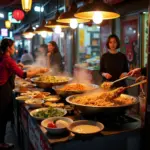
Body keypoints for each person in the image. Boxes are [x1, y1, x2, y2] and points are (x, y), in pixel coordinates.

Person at [0, 38, 48, 149]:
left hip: (3, 89)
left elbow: (11, 68)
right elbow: (23, 75)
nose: (15, 48)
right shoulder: (7, 59)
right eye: (13, 46)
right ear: (9, 48)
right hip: (3, 91)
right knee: (2, 118)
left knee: (2, 117)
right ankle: (1, 143)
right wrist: (39, 71)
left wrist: (17, 66)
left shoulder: (5, 58)